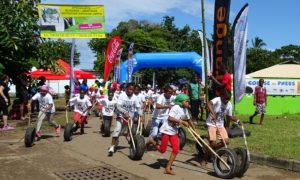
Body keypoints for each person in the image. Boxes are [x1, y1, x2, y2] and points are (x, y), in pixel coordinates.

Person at [149, 93, 194, 175]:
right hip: (166, 130)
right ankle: (152, 142)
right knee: (162, 150)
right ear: (180, 101)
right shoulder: (175, 107)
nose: (188, 103)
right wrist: (181, 121)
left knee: (176, 150)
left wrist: (193, 129)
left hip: (173, 131)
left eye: (188, 102)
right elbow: (170, 118)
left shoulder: (185, 109)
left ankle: (167, 168)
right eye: (186, 101)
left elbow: (188, 119)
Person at [202, 90, 241, 165]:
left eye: (229, 99)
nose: (227, 100)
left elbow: (228, 117)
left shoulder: (229, 104)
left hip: (220, 125)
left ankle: (212, 149)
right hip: (212, 124)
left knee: (226, 142)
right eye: (226, 98)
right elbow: (209, 104)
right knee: (212, 143)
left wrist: (236, 121)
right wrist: (213, 113)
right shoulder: (217, 100)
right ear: (222, 96)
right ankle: (205, 158)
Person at [107, 83, 142, 156]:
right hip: (121, 116)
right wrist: (124, 112)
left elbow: (138, 107)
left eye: (132, 89)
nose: (131, 91)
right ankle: (112, 147)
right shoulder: (122, 95)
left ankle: (119, 141)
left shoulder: (135, 98)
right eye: (129, 89)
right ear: (126, 89)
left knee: (123, 132)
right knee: (117, 129)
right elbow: (118, 106)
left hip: (129, 118)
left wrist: (141, 115)